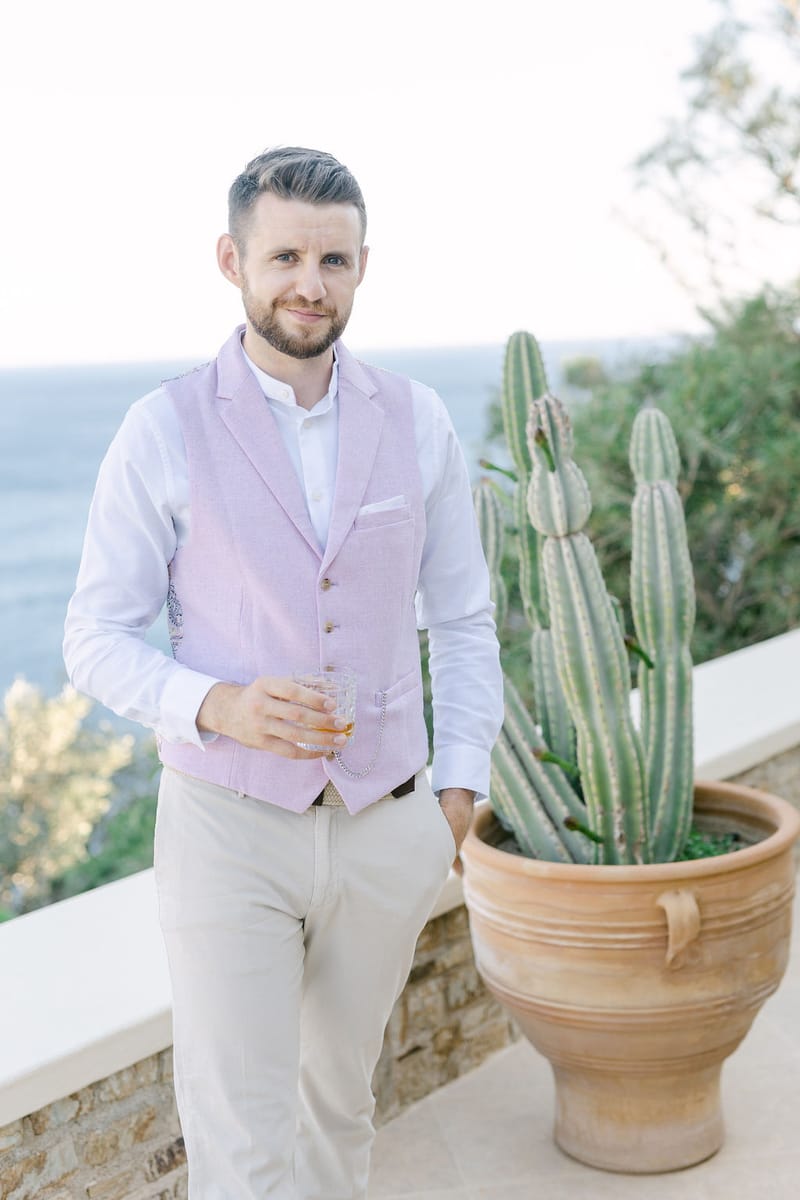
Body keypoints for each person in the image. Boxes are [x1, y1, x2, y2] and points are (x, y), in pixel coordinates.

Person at [64, 145, 503, 1200]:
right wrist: (212, 702)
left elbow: (464, 617)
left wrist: (456, 790)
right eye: (286, 256)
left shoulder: (418, 418)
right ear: (233, 260)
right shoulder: (160, 430)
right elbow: (95, 635)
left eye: (334, 259)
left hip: (383, 823)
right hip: (228, 826)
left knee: (338, 1116)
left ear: (361, 268)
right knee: (239, 1134)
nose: (310, 282)